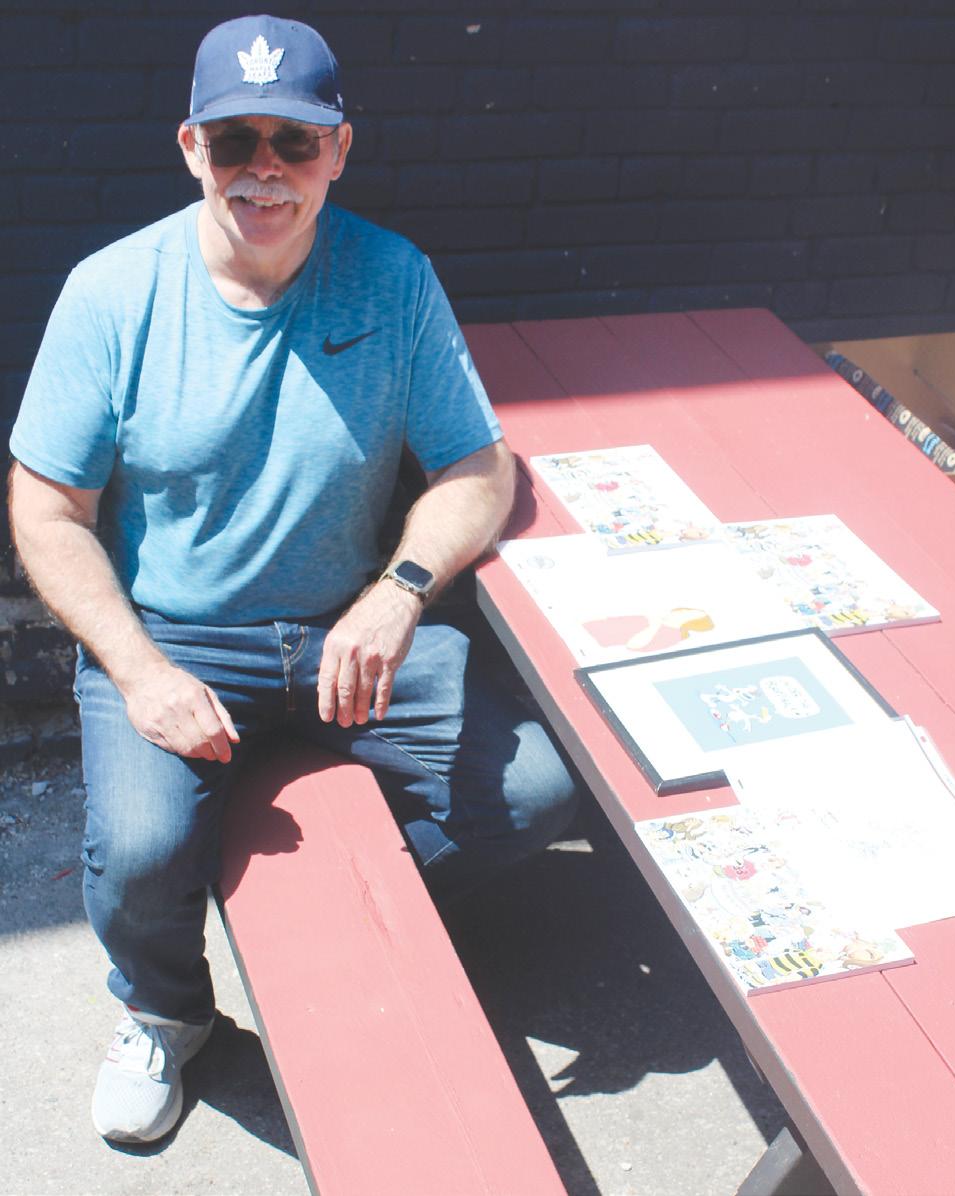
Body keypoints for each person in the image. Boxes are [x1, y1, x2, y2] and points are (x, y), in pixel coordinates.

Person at [7, 14, 578, 1146]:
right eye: (234, 141)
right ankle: (166, 1008)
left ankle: (341, 911)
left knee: (533, 792)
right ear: (191, 148)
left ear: (338, 150)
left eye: (294, 141)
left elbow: (479, 468)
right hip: (177, 633)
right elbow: (45, 509)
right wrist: (139, 671)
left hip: (344, 625)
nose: (263, 169)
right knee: (140, 853)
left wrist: (400, 590)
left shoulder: (392, 277)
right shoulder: (112, 293)